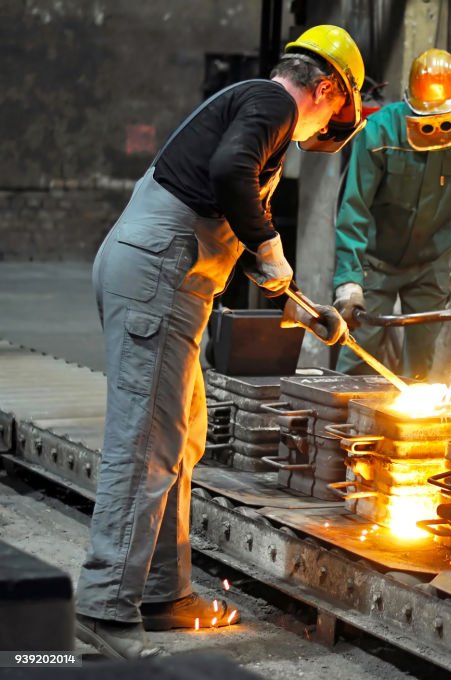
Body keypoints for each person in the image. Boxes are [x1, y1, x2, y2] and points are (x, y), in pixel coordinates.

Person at [76, 26, 363, 659]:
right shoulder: (274, 104)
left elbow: (225, 199)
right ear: (324, 89)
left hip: (166, 276)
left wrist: (297, 298)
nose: (324, 131)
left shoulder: (256, 107)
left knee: (182, 436)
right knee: (146, 444)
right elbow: (229, 171)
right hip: (158, 275)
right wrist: (268, 245)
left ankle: (162, 592)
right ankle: (103, 609)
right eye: (334, 114)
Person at [332, 48, 451, 380]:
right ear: (409, 105)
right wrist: (349, 278)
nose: (438, 130)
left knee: (419, 370)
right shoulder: (378, 132)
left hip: (430, 265)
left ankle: (406, 431)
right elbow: (354, 207)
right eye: (427, 124)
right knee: (358, 358)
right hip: (376, 264)